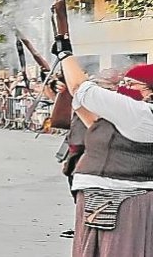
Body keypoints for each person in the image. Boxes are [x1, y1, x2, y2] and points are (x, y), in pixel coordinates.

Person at [53, 35, 153, 257]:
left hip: (124, 199)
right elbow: (93, 123)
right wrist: (70, 92)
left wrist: (65, 53)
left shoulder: (141, 113)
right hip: (108, 195)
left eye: (131, 84)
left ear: (149, 90)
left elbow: (81, 87)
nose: (124, 88)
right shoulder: (137, 113)